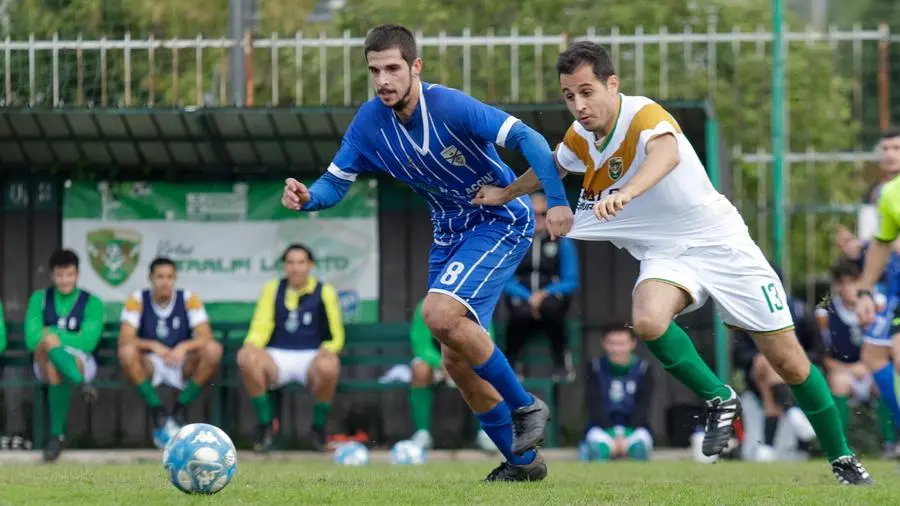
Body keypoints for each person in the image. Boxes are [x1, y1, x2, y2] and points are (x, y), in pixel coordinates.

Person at [472, 41, 871, 484]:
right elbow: (552, 167)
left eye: (587, 92)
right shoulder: (579, 136)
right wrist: (506, 193)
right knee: (647, 320)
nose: (579, 105)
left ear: (612, 84)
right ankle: (720, 398)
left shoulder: (643, 113)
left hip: (721, 243)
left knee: (790, 363)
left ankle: (843, 459)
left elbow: (667, 154)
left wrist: (627, 192)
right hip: (666, 251)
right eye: (569, 96)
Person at [281, 24, 574, 482]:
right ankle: (522, 465)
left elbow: (530, 140)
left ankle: (525, 405)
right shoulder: (369, 122)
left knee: (437, 314)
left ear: (415, 67)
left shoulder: (449, 105)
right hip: (449, 233)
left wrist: (555, 202)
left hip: (498, 219)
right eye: (375, 70)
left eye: (393, 68)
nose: (383, 80)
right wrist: (308, 197)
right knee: (455, 359)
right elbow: (336, 180)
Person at [238, 244, 344, 453]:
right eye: (291, 263)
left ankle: (318, 429)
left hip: (311, 356)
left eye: (301, 262)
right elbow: (261, 325)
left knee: (329, 365)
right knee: (246, 358)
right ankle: (267, 426)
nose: (296, 268)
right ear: (284, 266)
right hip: (278, 355)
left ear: (310, 265)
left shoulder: (325, 291)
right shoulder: (273, 288)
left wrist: (329, 348)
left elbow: (336, 334)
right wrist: (252, 345)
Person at [117, 257, 223, 448]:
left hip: (181, 362)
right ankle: (157, 410)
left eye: (169, 277)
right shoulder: (138, 299)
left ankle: (181, 407)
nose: (165, 282)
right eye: (159, 276)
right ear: (150, 277)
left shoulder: (188, 298)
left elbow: (205, 336)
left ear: (175, 278)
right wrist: (152, 345)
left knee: (213, 350)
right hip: (150, 363)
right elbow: (125, 339)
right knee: (126, 352)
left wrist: (184, 347)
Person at [732, 264, 820, 461]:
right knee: (767, 361)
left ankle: (768, 447)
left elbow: (817, 351)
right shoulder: (746, 314)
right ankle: (792, 411)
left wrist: (794, 360)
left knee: (773, 368)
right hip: (758, 373)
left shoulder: (799, 311)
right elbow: (740, 354)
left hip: (794, 373)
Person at [24, 249, 104, 462]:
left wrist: (54, 334)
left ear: (77, 274)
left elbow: (88, 342)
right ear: (51, 275)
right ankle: (80, 385)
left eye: (69, 274)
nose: (65, 280)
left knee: (54, 362)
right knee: (48, 348)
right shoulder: (39, 299)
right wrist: (59, 338)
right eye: (60, 275)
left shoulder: (92, 302)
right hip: (42, 358)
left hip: (80, 360)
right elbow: (32, 340)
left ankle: (56, 436)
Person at [818, 259, 896, 455]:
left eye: (853, 282)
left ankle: (891, 443)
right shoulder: (824, 311)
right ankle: (839, 447)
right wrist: (850, 369)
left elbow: (890, 349)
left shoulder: (879, 304)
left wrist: (868, 365)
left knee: (884, 381)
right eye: (842, 283)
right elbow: (823, 356)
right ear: (837, 286)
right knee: (838, 382)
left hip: (873, 369)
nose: (848, 288)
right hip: (845, 370)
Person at [503, 191, 579, 381]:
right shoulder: (515, 242)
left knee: (551, 309)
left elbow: (571, 280)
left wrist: (544, 294)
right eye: (532, 213)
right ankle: (512, 363)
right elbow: (505, 279)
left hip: (551, 298)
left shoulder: (562, 241)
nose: (538, 218)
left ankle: (561, 361)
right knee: (520, 314)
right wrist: (529, 297)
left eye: (543, 214)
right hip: (522, 297)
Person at [407, 297, 496, 452]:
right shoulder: (426, 305)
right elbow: (421, 344)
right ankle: (422, 433)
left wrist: (464, 363)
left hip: (468, 363)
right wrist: (441, 363)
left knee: (486, 369)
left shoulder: (478, 304)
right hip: (438, 365)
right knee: (420, 370)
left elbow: (486, 342)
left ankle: (486, 432)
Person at [580, 325, 653, 462]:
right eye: (612, 343)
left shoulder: (643, 368)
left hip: (634, 429)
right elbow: (594, 403)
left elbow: (643, 405)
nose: (616, 349)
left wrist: (626, 435)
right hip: (601, 428)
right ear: (604, 344)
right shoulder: (595, 367)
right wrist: (612, 434)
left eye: (622, 344)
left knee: (640, 447)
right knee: (597, 448)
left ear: (632, 344)